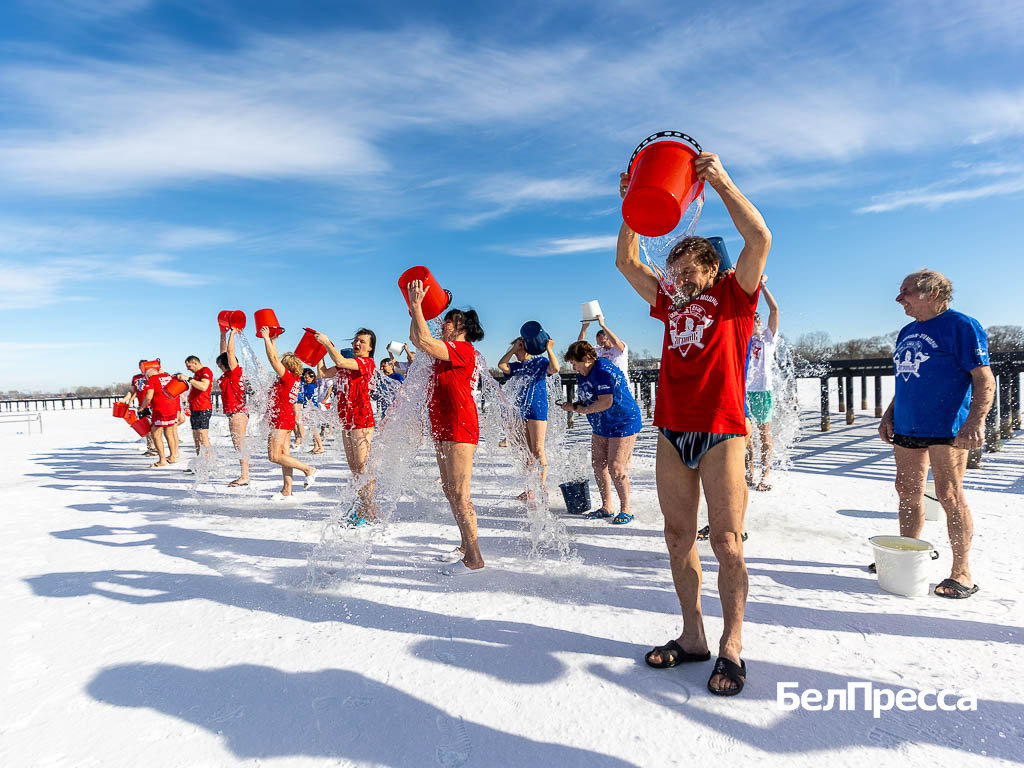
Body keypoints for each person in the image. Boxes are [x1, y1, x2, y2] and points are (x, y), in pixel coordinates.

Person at [615, 152, 771, 696]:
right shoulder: (670, 303)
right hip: (671, 429)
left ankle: (732, 644)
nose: (678, 279)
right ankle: (693, 635)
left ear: (713, 270)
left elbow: (759, 238)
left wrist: (720, 181)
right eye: (675, 271)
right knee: (677, 535)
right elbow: (626, 261)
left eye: (688, 271)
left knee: (726, 541)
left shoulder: (735, 295)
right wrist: (632, 205)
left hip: (722, 431)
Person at [877, 269, 994, 599]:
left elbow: (984, 379)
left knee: (948, 494)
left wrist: (975, 422)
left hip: (948, 426)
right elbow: (907, 378)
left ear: (933, 293)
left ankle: (962, 572)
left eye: (906, 292)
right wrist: (889, 414)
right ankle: (908, 556)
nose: (899, 299)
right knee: (907, 490)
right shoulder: (906, 331)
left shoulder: (962, 326)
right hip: (908, 423)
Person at [407, 280, 486, 575]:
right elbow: (417, 338)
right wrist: (415, 308)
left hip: (460, 425)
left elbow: (425, 341)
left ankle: (475, 558)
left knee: (461, 493)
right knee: (450, 490)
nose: (443, 324)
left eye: (448, 321)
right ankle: (465, 545)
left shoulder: (463, 349)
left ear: (461, 327)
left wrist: (418, 306)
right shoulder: (445, 352)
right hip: (442, 424)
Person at [559, 341, 642, 524]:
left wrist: (580, 410)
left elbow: (606, 402)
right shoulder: (584, 372)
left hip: (623, 421)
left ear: (586, 359)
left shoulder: (602, 371)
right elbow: (590, 399)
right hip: (602, 423)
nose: (573, 367)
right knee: (598, 464)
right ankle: (607, 506)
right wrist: (574, 405)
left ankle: (626, 509)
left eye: (574, 363)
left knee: (615, 466)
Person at [316, 329, 377, 523]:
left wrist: (326, 343)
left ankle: (369, 511)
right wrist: (319, 352)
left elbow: (341, 361)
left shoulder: (366, 363)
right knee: (355, 469)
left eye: (362, 341)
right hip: (347, 421)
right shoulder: (344, 365)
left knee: (363, 468)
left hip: (362, 421)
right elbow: (323, 373)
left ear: (370, 348)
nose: (357, 344)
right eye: (356, 341)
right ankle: (362, 506)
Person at [498, 336, 560, 496]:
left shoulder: (539, 363)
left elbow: (555, 368)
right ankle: (530, 488)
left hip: (537, 410)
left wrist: (549, 349)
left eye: (518, 349)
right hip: (521, 411)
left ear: (527, 348)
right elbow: (501, 365)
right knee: (526, 452)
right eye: (514, 350)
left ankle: (541, 487)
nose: (515, 353)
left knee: (538, 449)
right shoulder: (517, 367)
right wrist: (514, 348)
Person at [260, 326, 317, 499]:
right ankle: (287, 490)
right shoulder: (292, 378)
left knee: (274, 456)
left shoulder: (286, 377)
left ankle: (308, 469)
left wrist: (266, 338)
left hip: (281, 419)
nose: (279, 365)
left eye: (282, 364)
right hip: (286, 418)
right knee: (284, 455)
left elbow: (273, 360)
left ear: (287, 366)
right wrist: (272, 341)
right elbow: (276, 358)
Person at [744, 276, 780, 491]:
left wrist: (762, 285)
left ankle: (765, 474)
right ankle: (749, 473)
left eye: (754, 320)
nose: (752, 324)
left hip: (762, 391)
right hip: (743, 391)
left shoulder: (767, 338)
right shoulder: (742, 339)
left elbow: (774, 310)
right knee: (746, 436)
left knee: (764, 434)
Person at [216, 327, 249, 487]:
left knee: (240, 445)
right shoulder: (228, 374)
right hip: (236, 413)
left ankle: (245, 476)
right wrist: (223, 334)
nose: (219, 367)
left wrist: (232, 334)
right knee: (238, 445)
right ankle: (244, 475)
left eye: (220, 365)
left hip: (238, 413)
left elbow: (229, 353)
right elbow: (224, 353)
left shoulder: (235, 373)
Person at [140, 361, 182, 468]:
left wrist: (142, 407)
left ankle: (162, 460)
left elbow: (148, 397)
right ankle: (173, 456)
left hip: (160, 410)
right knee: (169, 433)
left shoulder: (152, 379)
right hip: (172, 408)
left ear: (148, 375)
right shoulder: (168, 377)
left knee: (155, 434)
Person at [178, 355, 214, 458]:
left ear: (195, 363)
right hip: (195, 408)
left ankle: (208, 461)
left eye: (189, 366)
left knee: (202, 436)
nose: (188, 369)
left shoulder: (205, 371)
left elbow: (204, 386)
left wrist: (188, 379)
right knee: (196, 437)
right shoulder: (196, 374)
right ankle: (200, 460)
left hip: (203, 407)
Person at [124, 360, 157, 456]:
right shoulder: (136, 378)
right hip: (141, 407)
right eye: (141, 366)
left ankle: (155, 447)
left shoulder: (152, 376)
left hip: (151, 405)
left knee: (152, 427)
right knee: (145, 428)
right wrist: (124, 400)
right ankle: (150, 447)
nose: (143, 368)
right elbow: (132, 391)